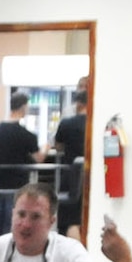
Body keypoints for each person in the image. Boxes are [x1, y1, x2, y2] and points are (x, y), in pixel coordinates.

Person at [0, 89, 40, 189]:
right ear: (23, 108)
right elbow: (38, 158)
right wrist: (46, 148)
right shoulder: (27, 135)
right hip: (17, 185)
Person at [53, 85, 88, 236]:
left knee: (69, 219)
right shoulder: (94, 124)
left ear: (78, 104)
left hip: (70, 178)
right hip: (89, 177)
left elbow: (58, 146)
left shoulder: (67, 124)